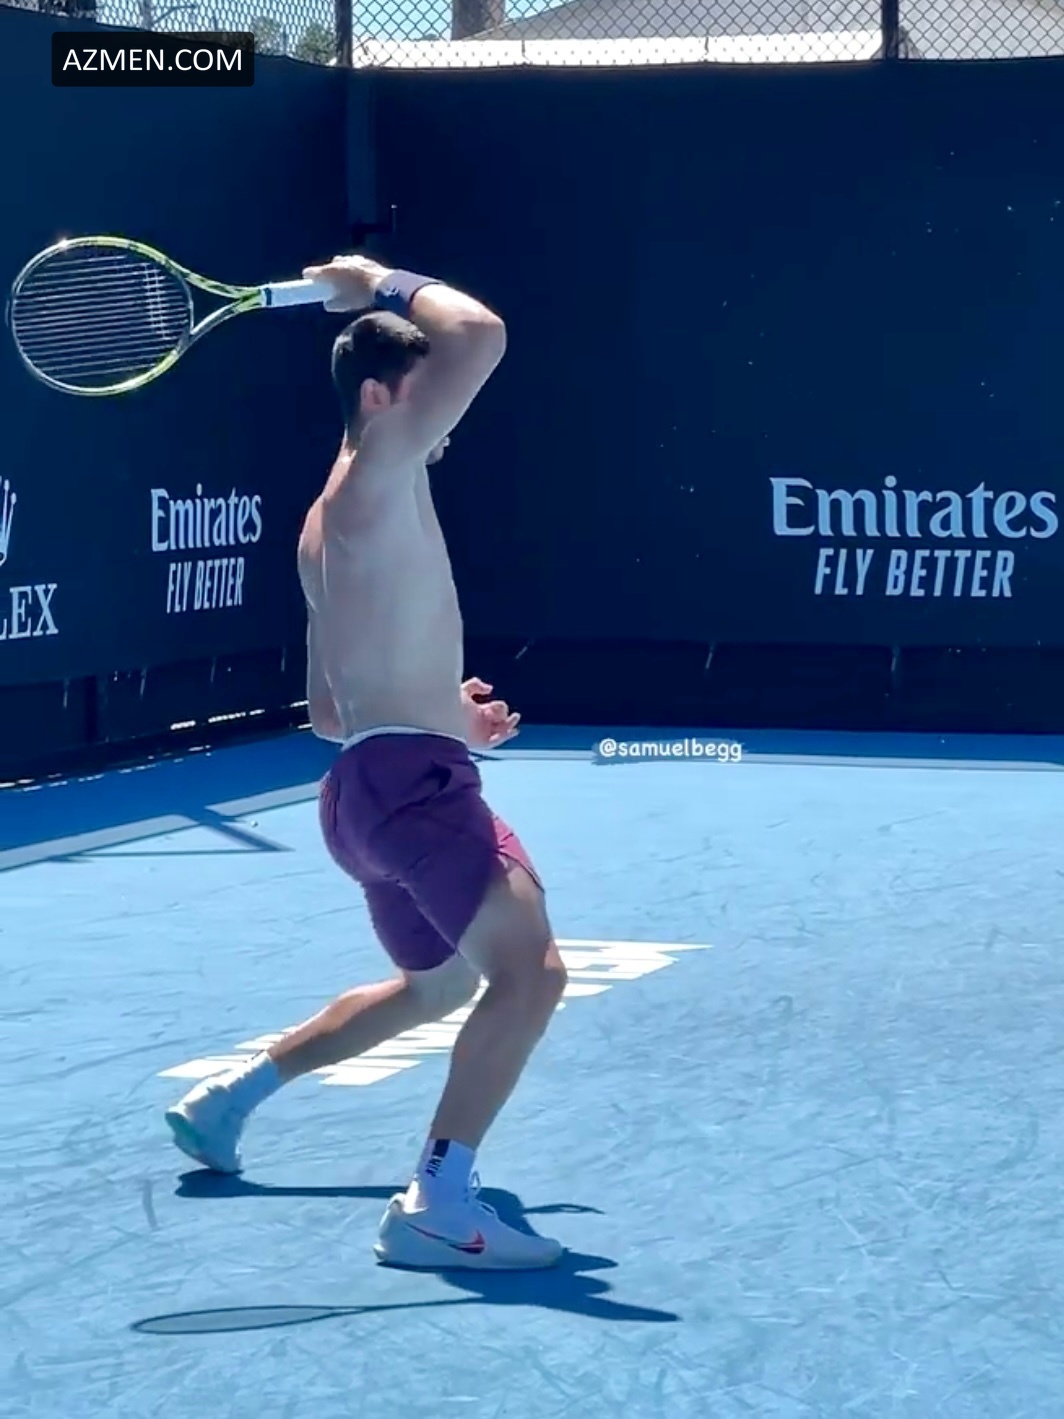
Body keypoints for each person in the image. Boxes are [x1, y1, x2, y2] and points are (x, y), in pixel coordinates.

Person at [164, 256, 568, 1271]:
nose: (448, 418)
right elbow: (481, 331)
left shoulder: (324, 523)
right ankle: (438, 1203)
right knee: (530, 976)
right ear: (383, 398)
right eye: (429, 394)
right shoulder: (382, 467)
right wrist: (379, 277)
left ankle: (228, 1099)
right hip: (411, 793)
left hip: (361, 794)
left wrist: (445, 714)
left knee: (435, 988)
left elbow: (331, 710)